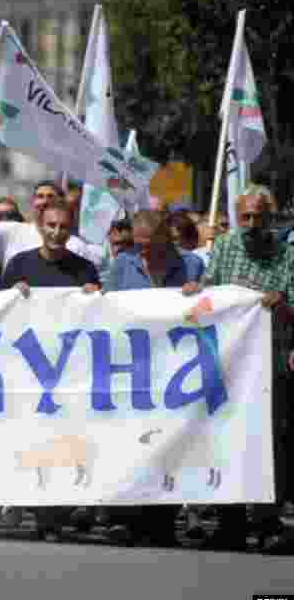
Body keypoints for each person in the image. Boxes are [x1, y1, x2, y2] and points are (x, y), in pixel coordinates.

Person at [182, 187, 294, 553]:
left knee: (267, 443)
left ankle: (266, 521)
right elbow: (212, 295)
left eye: (257, 218)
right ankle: (229, 522)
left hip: (270, 365)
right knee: (227, 438)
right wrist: (196, 292)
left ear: (270, 219)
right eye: (244, 217)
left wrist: (284, 302)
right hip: (228, 362)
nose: (249, 224)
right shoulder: (226, 247)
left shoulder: (287, 255)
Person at [101, 209, 204, 547]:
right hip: (131, 369)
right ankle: (123, 520)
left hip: (175, 371)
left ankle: (161, 522)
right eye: (138, 245)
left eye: (150, 245)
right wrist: (91, 293)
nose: (143, 252)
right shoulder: (122, 266)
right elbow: (103, 311)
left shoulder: (192, 265)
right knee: (130, 442)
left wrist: (201, 295)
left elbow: (212, 311)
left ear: (165, 237)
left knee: (168, 443)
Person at [0, 199, 100, 541]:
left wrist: (94, 296)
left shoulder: (85, 270)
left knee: (62, 442)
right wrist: (11, 295)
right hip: (27, 370)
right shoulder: (18, 265)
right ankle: (24, 501)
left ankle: (51, 517)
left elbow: (100, 318)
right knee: (30, 438)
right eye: (51, 226)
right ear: (39, 226)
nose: (57, 233)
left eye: (63, 227)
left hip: (69, 371)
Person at [0, 181, 103, 271]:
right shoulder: (11, 231)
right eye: (40, 196)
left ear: (61, 203)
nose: (44, 201)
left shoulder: (76, 246)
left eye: (50, 197)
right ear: (32, 202)